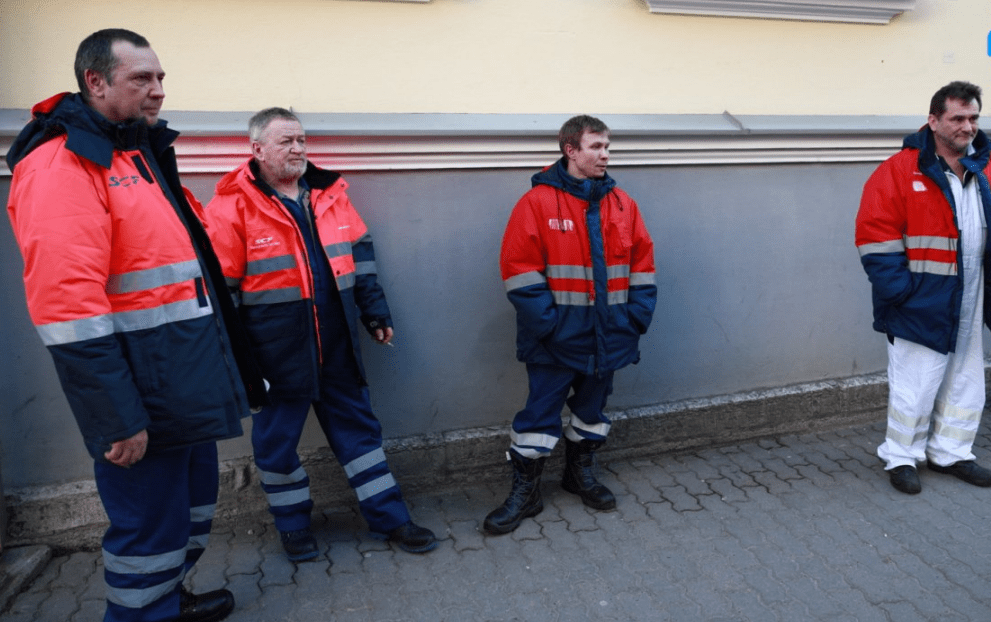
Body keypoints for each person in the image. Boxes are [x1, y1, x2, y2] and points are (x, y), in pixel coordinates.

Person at [5, 29, 265, 622]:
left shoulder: (136, 154)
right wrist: (115, 416)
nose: (158, 91)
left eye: (161, 78)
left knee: (187, 515)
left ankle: (166, 603)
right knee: (148, 533)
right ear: (95, 83)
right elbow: (68, 310)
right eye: (141, 79)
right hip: (140, 397)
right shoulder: (63, 165)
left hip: (181, 381)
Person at [204, 107, 437, 562]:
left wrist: (374, 313)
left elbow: (361, 256)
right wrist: (237, 362)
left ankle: (392, 520)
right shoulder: (230, 206)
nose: (298, 149)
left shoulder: (330, 195)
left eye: (301, 140)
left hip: (336, 345)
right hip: (274, 356)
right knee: (275, 448)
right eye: (286, 142)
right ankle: (294, 529)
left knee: (361, 438)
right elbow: (222, 293)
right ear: (256, 150)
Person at [484, 115, 657, 534]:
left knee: (592, 413)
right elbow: (519, 271)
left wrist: (634, 319)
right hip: (556, 340)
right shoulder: (537, 204)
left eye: (607, 147)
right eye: (596, 147)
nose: (605, 155)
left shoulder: (623, 204)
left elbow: (643, 267)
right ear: (570, 150)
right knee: (538, 417)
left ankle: (579, 474)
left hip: (609, 335)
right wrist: (550, 326)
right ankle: (525, 494)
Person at [856, 81, 991, 495]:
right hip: (919, 298)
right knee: (915, 380)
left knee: (966, 375)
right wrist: (900, 292)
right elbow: (874, 234)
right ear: (933, 121)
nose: (967, 127)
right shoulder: (899, 170)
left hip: (972, 293)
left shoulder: (983, 167)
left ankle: (951, 450)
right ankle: (901, 455)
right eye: (957, 119)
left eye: (973, 118)